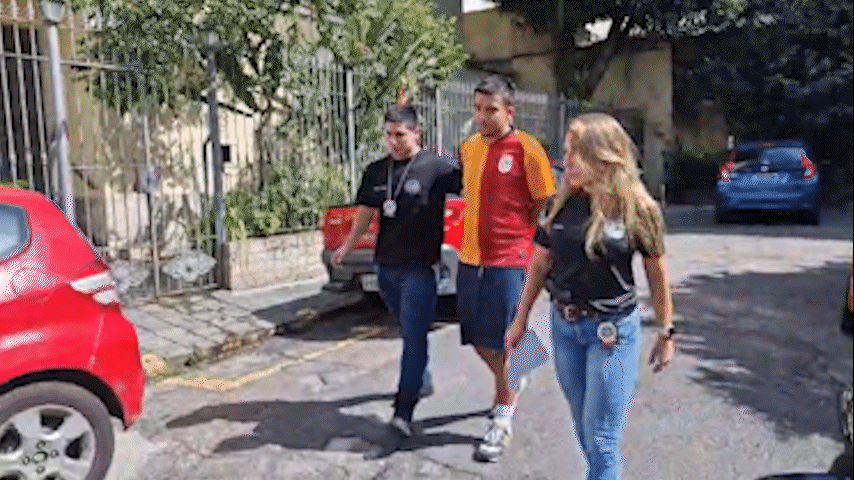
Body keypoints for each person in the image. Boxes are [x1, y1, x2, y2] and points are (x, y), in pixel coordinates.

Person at [506, 112, 675, 480]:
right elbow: (539, 264)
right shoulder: (560, 203)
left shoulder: (638, 209)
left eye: (574, 153)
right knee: (586, 429)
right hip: (565, 328)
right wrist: (520, 320)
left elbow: (656, 273)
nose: (565, 161)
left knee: (601, 439)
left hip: (611, 333)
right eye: (566, 151)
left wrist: (666, 331)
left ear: (603, 156)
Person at [332, 105, 461, 442]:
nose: (393, 141)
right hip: (385, 267)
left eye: (400, 135)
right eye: (388, 135)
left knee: (414, 337)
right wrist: (347, 246)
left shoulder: (437, 167)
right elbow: (365, 213)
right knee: (407, 329)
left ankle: (403, 411)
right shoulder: (377, 171)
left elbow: (475, 189)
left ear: (416, 133)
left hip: (420, 268)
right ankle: (422, 376)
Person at [456, 75, 556, 462]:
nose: (482, 117)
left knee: (506, 340)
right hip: (470, 257)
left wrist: (522, 234)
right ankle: (516, 372)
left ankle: (502, 417)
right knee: (476, 336)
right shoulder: (469, 148)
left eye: (491, 110)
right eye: (477, 109)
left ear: (509, 111)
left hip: (510, 258)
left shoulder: (527, 149)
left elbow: (542, 199)